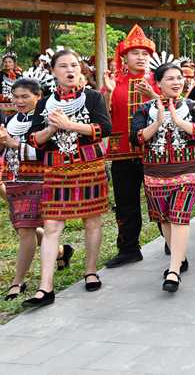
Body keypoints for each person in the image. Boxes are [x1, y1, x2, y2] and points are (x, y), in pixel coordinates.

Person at [24, 49, 112, 307]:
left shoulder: (93, 98)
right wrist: (52, 127)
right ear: (53, 71)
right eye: (63, 66)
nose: (70, 70)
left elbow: (104, 129)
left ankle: (91, 270)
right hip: (55, 169)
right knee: (51, 226)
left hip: (88, 166)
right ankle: (45, 287)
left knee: (92, 221)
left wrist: (71, 125)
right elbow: (33, 139)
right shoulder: (44, 104)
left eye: (74, 65)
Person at [131, 63, 195, 292]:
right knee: (164, 218)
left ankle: (173, 271)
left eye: (179, 78)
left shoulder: (193, 106)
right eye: (170, 79)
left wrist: (178, 122)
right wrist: (158, 122)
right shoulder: (145, 109)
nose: (177, 82)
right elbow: (135, 138)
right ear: (158, 83)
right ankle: (179, 256)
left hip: (187, 170)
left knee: (179, 217)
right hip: (155, 172)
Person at [0, 76, 73, 300]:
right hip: (15, 179)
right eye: (16, 96)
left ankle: (17, 281)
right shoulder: (11, 120)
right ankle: (61, 252)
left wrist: (13, 144)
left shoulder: (46, 119)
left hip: (42, 178)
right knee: (24, 228)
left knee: (28, 230)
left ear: (39, 96)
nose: (20, 101)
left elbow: (45, 152)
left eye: (25, 96)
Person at [103, 25, 158, 269]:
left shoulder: (158, 82)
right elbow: (103, 118)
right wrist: (108, 93)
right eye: (135, 53)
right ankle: (128, 248)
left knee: (159, 199)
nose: (141, 57)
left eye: (145, 54)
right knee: (126, 202)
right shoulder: (112, 83)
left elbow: (172, 109)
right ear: (124, 57)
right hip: (122, 153)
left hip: (153, 151)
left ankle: (172, 243)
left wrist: (153, 95)